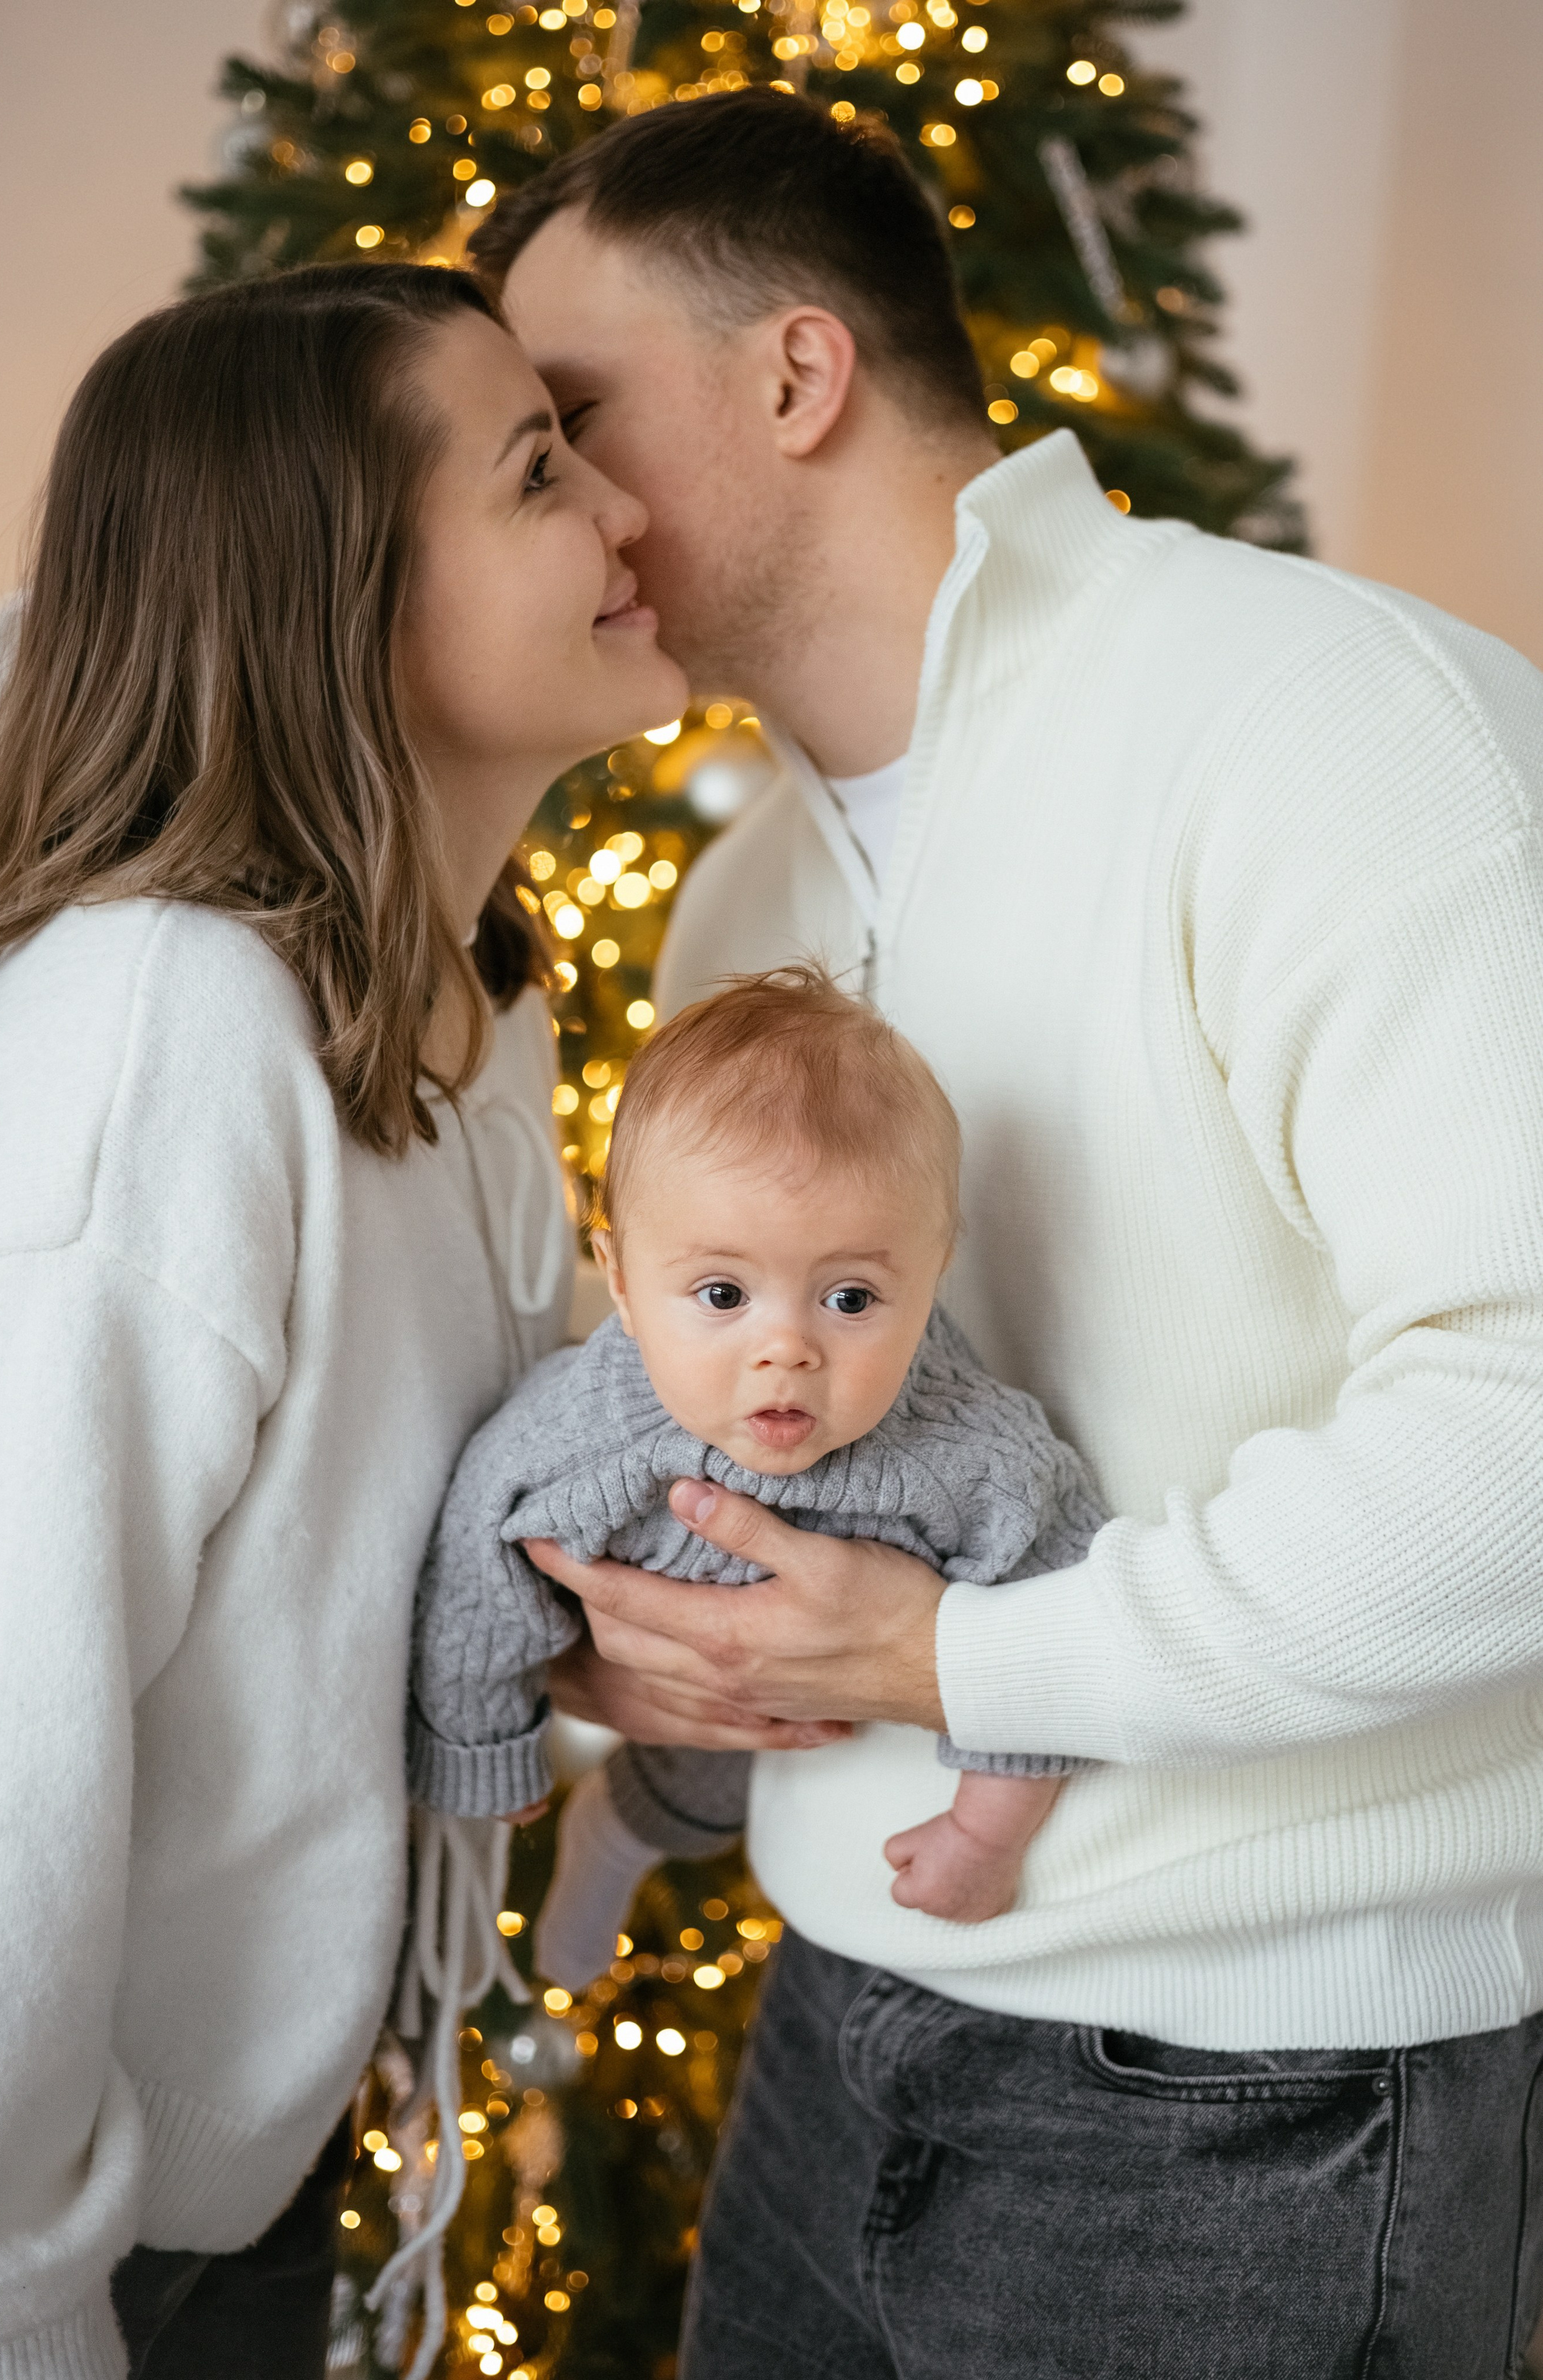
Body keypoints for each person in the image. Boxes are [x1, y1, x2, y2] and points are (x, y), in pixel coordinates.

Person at [477, 90, 1543, 2375]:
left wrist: (963, 1670)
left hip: (1258, 2108)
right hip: (838, 2030)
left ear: (794, 375)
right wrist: (653, 1671)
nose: (545, 505)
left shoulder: (1324, 718)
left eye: (570, 423)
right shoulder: (744, 906)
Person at [0, 260, 707, 2378]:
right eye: (540, 471)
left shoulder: (460, 1015)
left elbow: (399, 1568)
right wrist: (10, 2302)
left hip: (247, 2193)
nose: (626, 517)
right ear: (339, 586)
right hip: (53, 2258)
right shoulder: (158, 1037)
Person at [404, 966, 1104, 1990]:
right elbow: (477, 1549)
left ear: (933, 1272)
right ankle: (617, 1832)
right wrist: (482, 1738)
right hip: (677, 1666)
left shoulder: (972, 1450)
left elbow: (1053, 1606)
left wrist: (985, 1833)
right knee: (699, 1758)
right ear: (629, 1283)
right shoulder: (578, 1427)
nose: (788, 1350)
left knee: (736, 1777)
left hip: (858, 1725)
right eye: (723, 1293)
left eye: (853, 1298)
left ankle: (632, 1828)